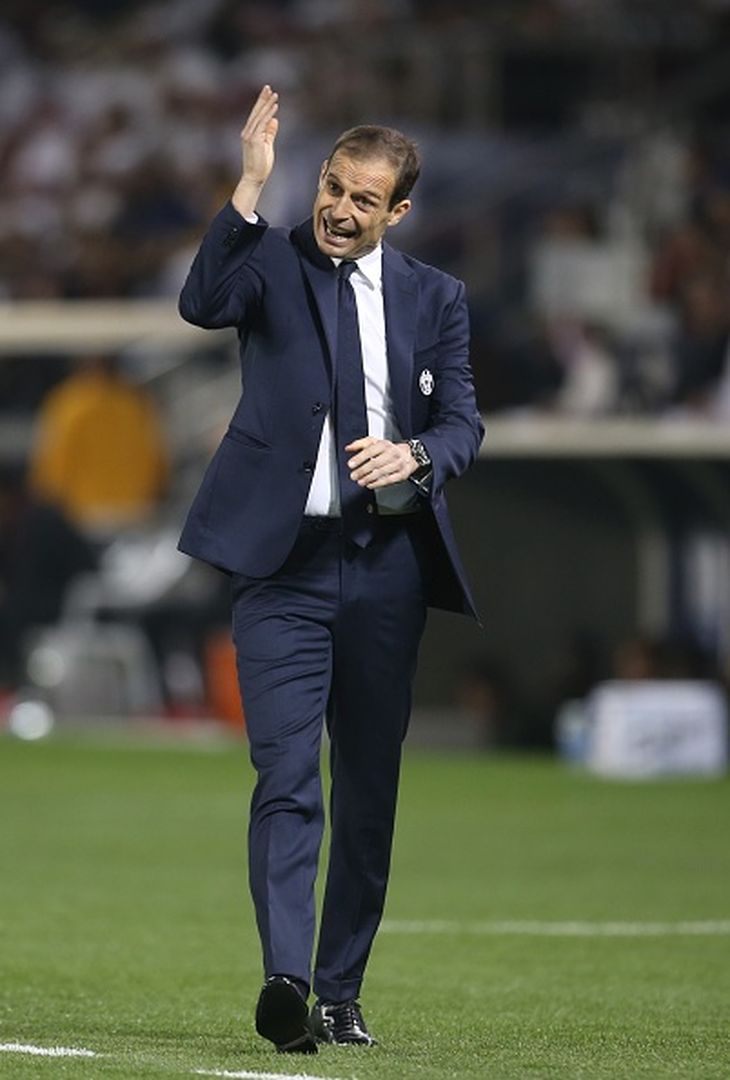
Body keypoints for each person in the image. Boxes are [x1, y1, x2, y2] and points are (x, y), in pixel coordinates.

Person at [178, 85, 484, 1053]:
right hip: (281, 570)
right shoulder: (267, 261)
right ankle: (285, 979)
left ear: (399, 212)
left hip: (386, 566)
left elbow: (464, 421)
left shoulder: (437, 297)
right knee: (283, 775)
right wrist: (248, 189)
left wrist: (417, 457)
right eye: (334, 188)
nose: (342, 210)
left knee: (367, 791)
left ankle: (341, 991)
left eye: (365, 200)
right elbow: (199, 303)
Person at [29, 354, 169, 541]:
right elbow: (159, 451)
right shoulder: (136, 400)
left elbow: (55, 458)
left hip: (88, 511)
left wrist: (49, 495)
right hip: (137, 507)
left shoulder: (68, 403)